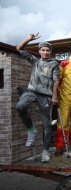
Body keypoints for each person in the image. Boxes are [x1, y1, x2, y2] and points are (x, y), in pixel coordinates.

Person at [15, 32, 60, 163]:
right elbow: (19, 49)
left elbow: (56, 81)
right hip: (32, 91)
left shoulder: (54, 64)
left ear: (50, 52)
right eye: (43, 50)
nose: (45, 52)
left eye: (47, 50)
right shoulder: (34, 61)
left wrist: (55, 96)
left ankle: (45, 151)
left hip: (45, 96)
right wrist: (28, 39)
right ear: (39, 51)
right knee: (20, 106)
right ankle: (31, 130)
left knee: (46, 125)